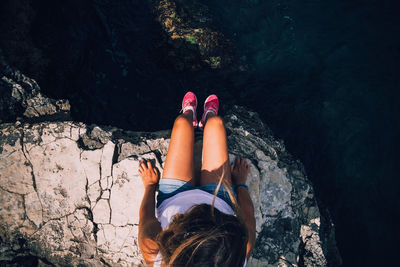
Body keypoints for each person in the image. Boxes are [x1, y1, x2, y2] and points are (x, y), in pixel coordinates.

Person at [138, 92, 256, 267]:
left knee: (182, 124)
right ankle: (207, 118)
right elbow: (248, 218)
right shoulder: (236, 254)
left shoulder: (153, 251)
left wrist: (150, 186)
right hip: (220, 199)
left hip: (174, 197)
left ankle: (190, 116)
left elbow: (146, 217)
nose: (199, 208)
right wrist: (240, 184)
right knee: (216, 125)